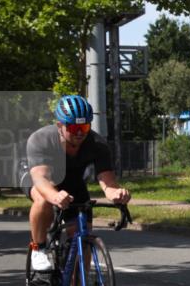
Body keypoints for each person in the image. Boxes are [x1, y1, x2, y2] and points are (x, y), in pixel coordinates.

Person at [24, 95, 130, 273]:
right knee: (43, 200)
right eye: (73, 127)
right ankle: (39, 249)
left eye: (84, 126)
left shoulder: (97, 144)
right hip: (40, 178)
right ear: (60, 126)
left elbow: (108, 181)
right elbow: (41, 178)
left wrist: (116, 194)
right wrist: (54, 195)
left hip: (73, 181)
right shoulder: (41, 139)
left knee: (83, 237)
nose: (80, 132)